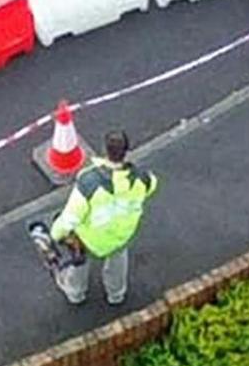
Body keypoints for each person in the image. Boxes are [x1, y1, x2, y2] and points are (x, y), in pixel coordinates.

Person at [31, 130, 156, 306]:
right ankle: (116, 294)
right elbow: (149, 188)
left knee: (78, 253)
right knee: (118, 257)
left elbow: (70, 218)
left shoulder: (90, 181)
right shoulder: (142, 179)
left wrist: (55, 234)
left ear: (104, 150)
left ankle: (76, 293)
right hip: (122, 233)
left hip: (91, 237)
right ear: (127, 151)